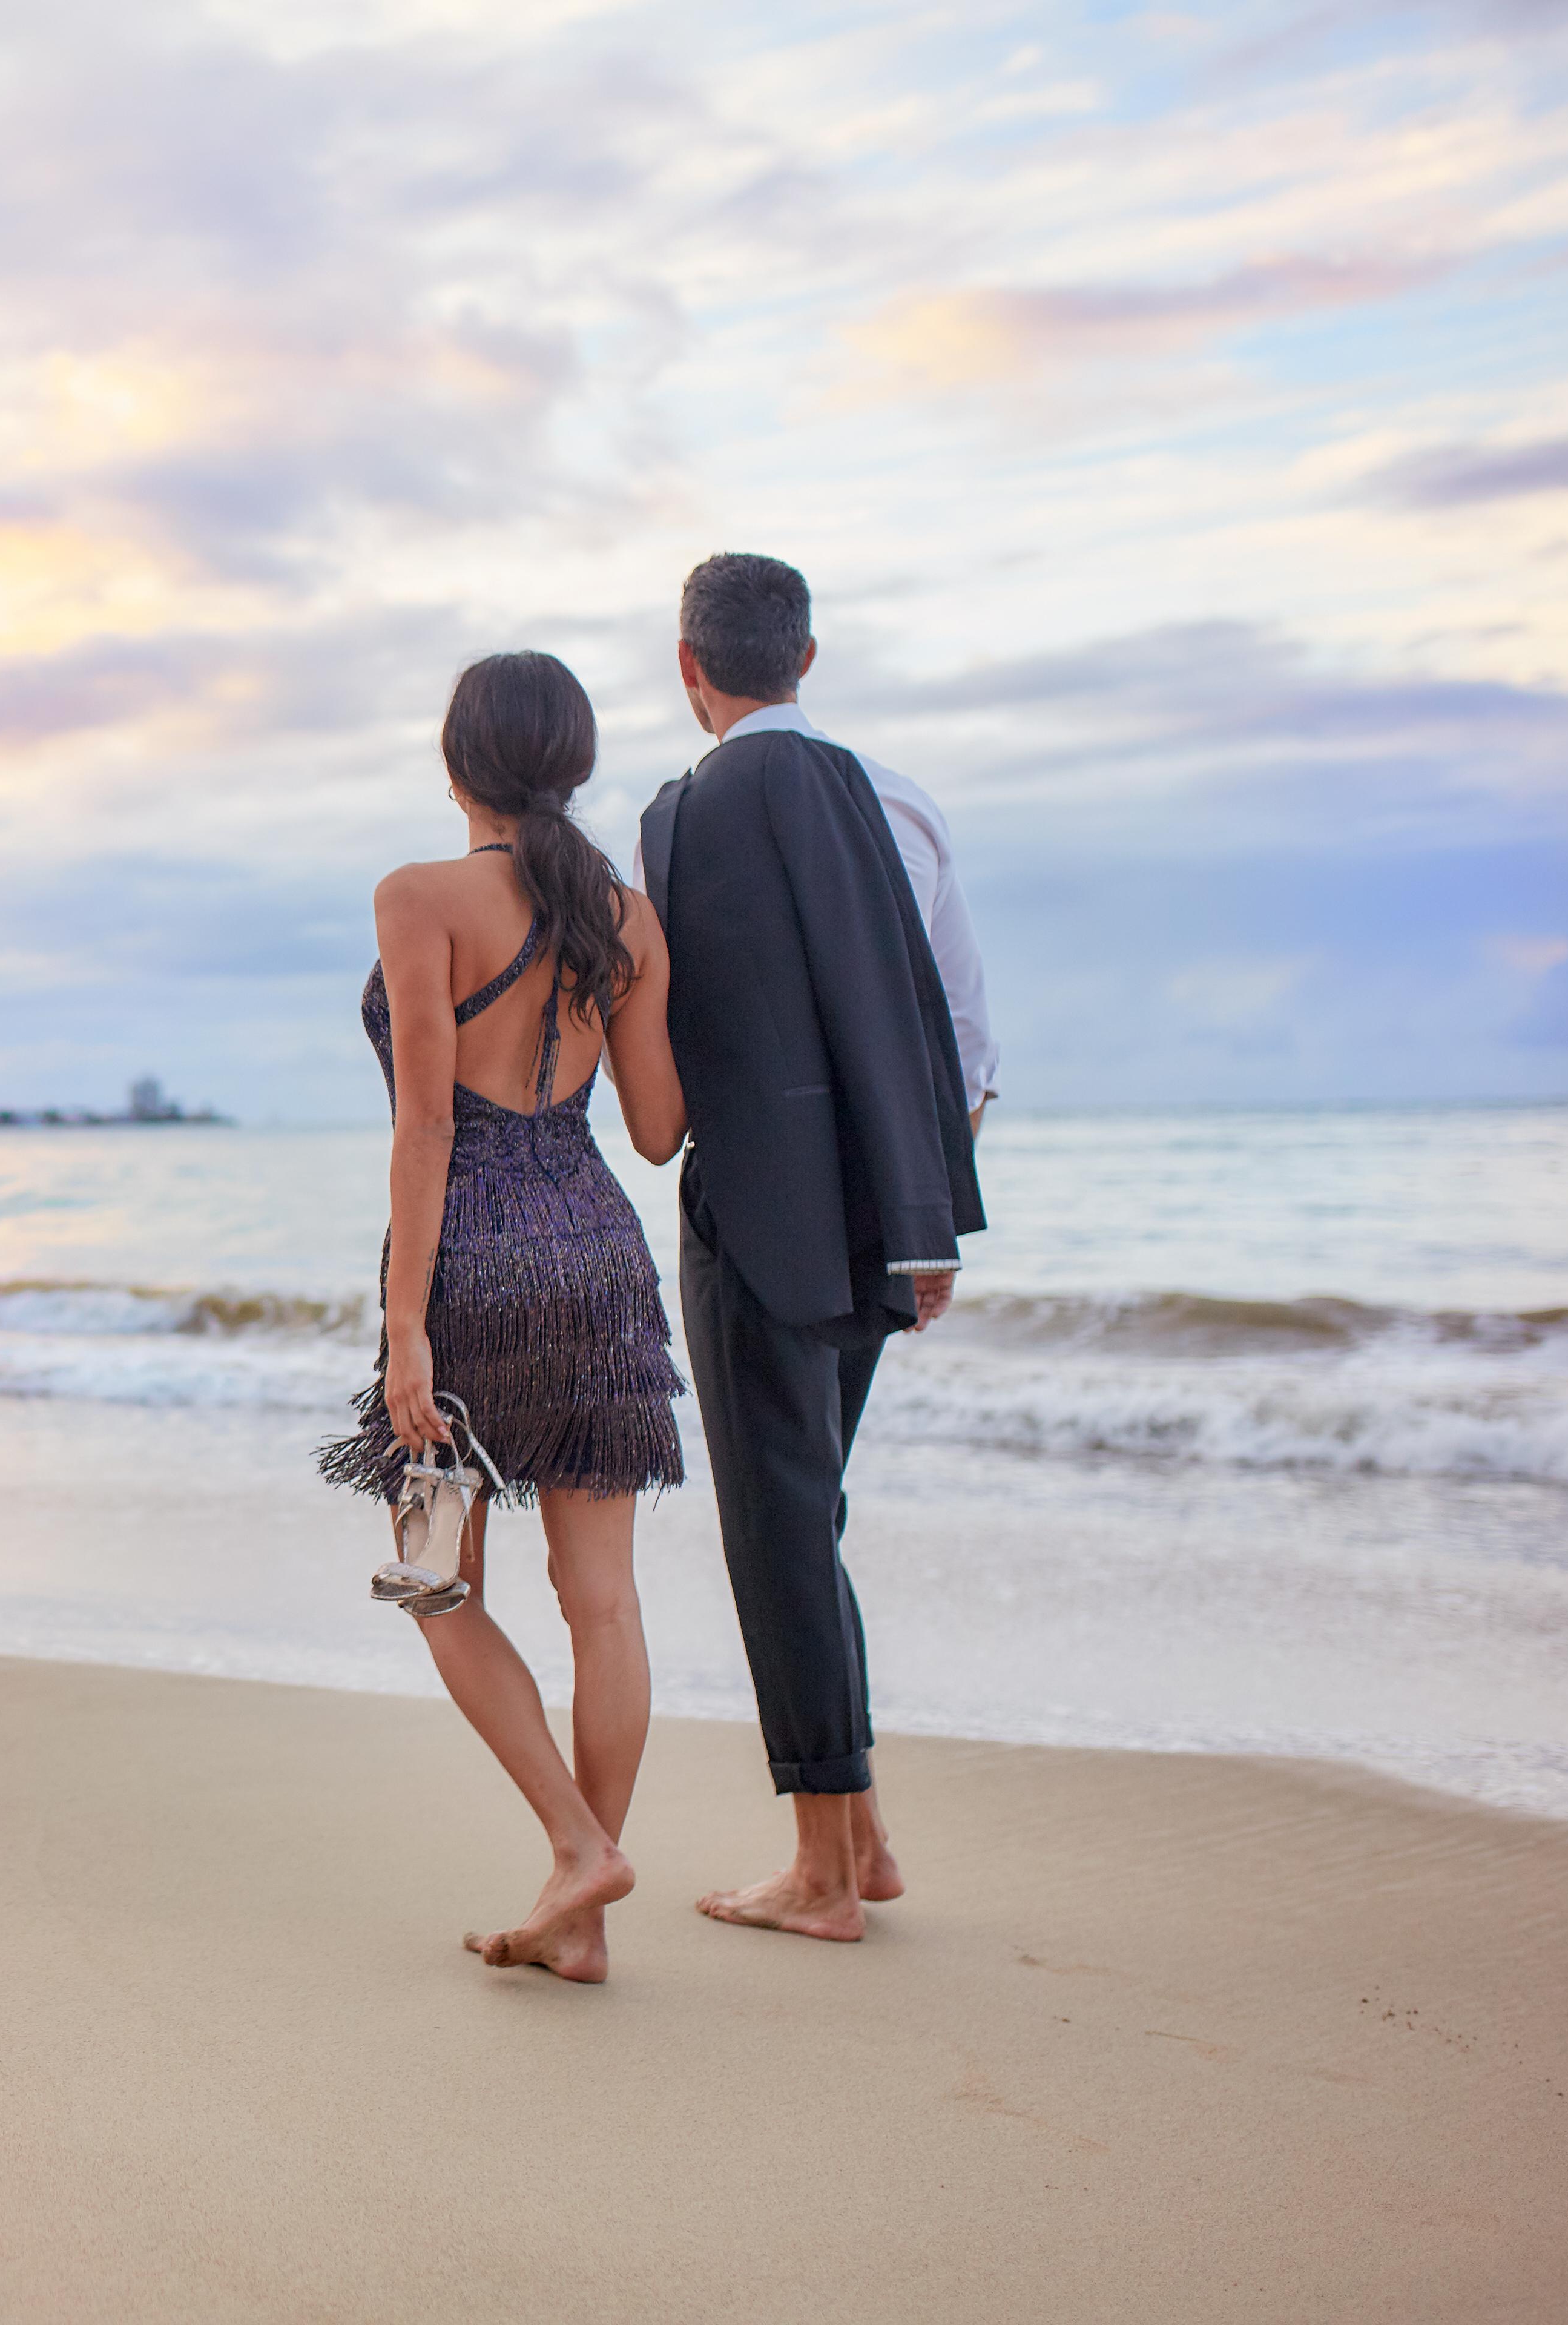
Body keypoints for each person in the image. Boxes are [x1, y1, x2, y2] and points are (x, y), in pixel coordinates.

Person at [317, 650, 690, 1985]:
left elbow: (426, 1121)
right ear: (575, 762)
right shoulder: (630, 917)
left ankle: (579, 1850)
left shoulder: (417, 897)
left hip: (466, 1266)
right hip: (597, 1250)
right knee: (605, 1600)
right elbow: (656, 1132)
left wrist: (403, 1322)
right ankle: (580, 1914)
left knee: (433, 1577)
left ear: (454, 760)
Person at [634, 552, 990, 1944]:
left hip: (760, 1220)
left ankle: (824, 1877)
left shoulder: (677, 822)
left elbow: (677, 1068)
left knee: (776, 1528)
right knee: (813, 1509)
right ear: (808, 657)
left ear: (689, 667)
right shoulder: (901, 803)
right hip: (884, 1219)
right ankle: (868, 1836)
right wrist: (924, 1214)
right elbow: (962, 1032)